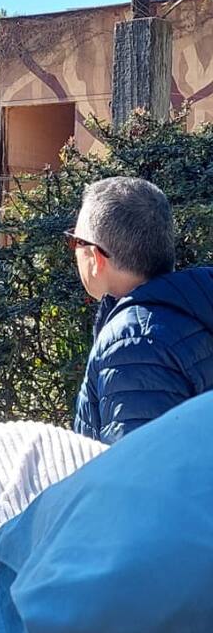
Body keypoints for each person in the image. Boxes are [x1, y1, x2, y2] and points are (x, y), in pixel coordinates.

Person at [70, 176, 213, 444]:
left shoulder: (132, 341)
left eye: (76, 241)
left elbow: (138, 464)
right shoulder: (191, 305)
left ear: (96, 257)